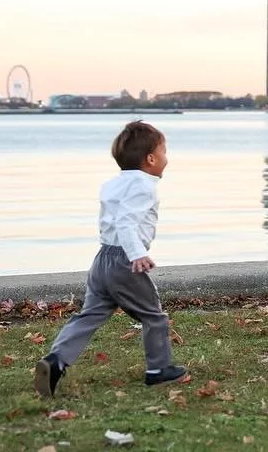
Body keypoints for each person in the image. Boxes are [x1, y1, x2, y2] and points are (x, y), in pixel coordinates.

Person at [33, 120, 188, 397]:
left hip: (102, 258)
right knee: (154, 316)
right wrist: (137, 253)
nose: (167, 157)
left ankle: (56, 361)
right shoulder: (144, 186)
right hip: (124, 261)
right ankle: (158, 370)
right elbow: (126, 222)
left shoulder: (112, 185)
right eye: (165, 151)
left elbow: (113, 221)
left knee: (89, 314)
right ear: (151, 159)